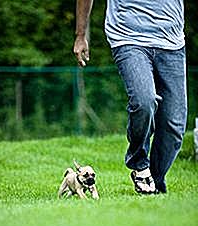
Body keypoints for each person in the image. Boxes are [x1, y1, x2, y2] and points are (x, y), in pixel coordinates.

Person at [73, 0, 187, 194]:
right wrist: (81, 34)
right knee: (144, 100)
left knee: (174, 123)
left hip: (172, 41)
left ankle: (154, 182)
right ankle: (140, 165)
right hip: (128, 37)